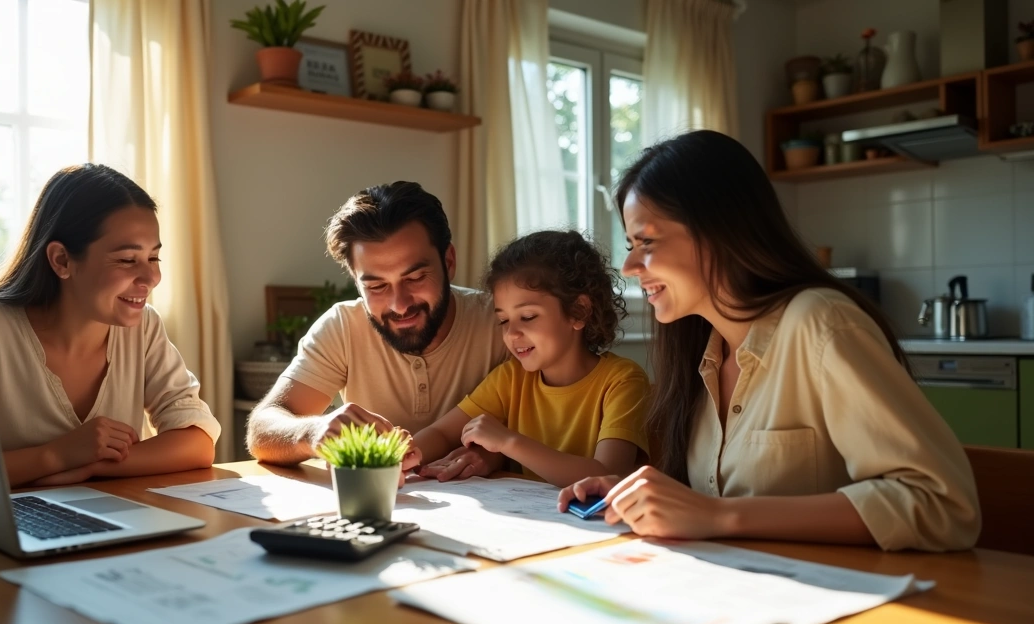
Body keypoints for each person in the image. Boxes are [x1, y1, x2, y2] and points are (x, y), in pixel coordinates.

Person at [557, 130, 980, 552]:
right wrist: (639, 496)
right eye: (631, 245)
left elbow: (942, 504)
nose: (629, 265)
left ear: (719, 229)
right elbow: (719, 506)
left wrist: (717, 516)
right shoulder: (702, 354)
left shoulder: (821, 324)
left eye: (646, 241)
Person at [0, 164, 221, 499]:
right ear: (62, 261)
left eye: (154, 258)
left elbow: (196, 441)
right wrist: (54, 456)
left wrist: (92, 465)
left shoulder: (143, 327)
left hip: (102, 527)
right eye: (128, 260)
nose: (151, 278)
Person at [245, 181, 509, 479]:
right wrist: (312, 431)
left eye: (415, 277)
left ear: (448, 262)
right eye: (376, 286)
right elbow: (262, 428)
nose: (399, 304)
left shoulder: (502, 322)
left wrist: (495, 453)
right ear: (356, 282)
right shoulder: (342, 327)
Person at [411, 230, 651, 487]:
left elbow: (607, 476)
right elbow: (441, 433)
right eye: (503, 320)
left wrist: (507, 442)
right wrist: (394, 459)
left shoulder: (623, 380)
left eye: (527, 317)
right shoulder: (510, 378)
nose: (512, 333)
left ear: (579, 311)